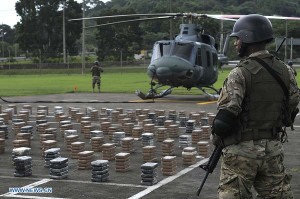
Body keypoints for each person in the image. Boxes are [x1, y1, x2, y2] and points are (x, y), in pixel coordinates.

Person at [211, 14, 300, 199]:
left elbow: (225, 117)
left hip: (242, 152)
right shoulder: (286, 71)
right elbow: (292, 105)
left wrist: (216, 139)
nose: (236, 44)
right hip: (273, 149)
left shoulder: (240, 72)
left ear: (247, 39)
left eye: (238, 40)